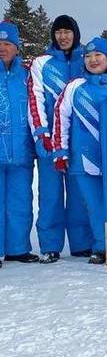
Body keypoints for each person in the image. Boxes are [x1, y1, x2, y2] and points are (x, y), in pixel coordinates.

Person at [53, 37, 107, 265]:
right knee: (94, 206)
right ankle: (101, 245)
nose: (93, 60)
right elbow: (60, 117)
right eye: (88, 56)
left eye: (98, 55)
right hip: (83, 157)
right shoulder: (75, 86)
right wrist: (60, 150)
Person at [28, 15, 93, 264]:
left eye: (67, 32)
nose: (63, 36)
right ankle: (51, 245)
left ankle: (82, 243)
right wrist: (42, 133)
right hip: (50, 142)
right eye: (58, 32)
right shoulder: (42, 63)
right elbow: (35, 99)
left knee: (79, 195)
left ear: (75, 34)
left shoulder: (87, 59)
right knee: (50, 195)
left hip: (80, 142)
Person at [0, 22, 37, 267]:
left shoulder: (27, 75)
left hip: (21, 151)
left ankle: (17, 248)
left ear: (16, 47)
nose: (2, 48)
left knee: (21, 201)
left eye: (7, 44)